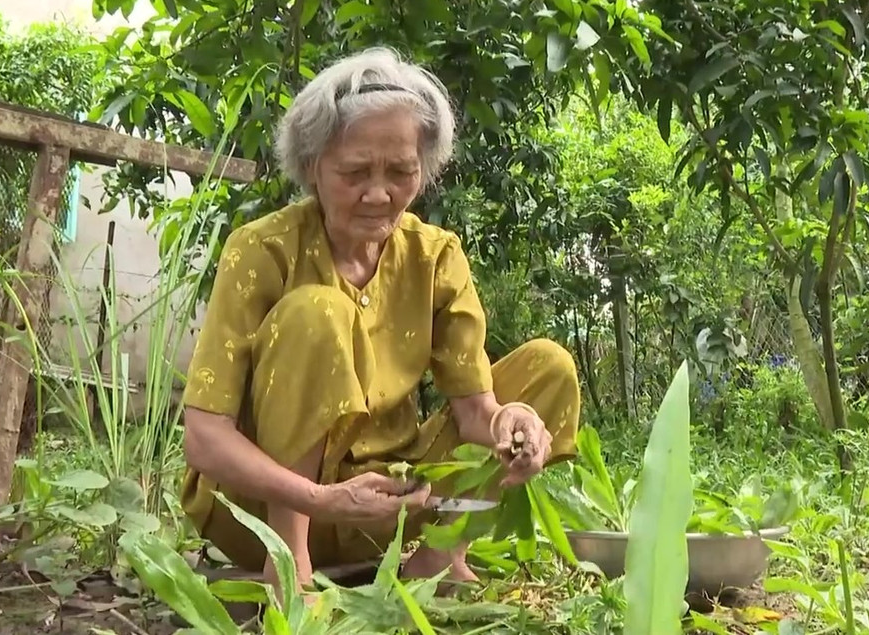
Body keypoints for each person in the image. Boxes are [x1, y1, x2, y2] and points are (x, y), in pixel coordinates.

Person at [179, 47, 581, 595]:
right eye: (355, 172)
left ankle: (438, 559)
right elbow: (205, 439)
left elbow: (474, 411)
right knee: (317, 311)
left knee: (549, 371)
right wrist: (322, 499)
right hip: (255, 514)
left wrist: (512, 422)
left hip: (387, 507)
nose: (379, 193)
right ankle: (287, 561)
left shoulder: (435, 256)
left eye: (400, 171)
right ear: (313, 167)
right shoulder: (261, 250)